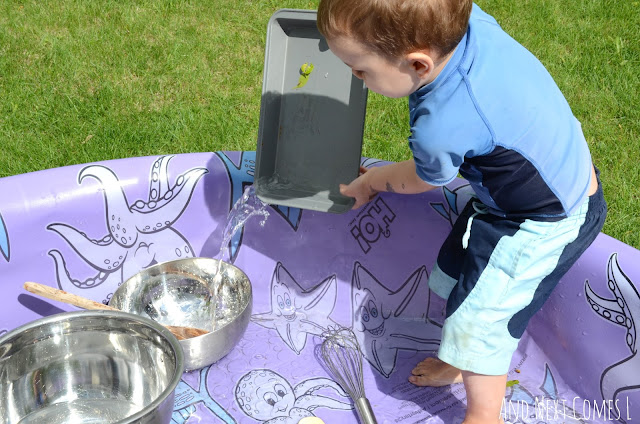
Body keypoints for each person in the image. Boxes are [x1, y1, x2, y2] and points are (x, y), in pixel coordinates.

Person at [316, 1, 608, 423]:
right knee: (456, 278)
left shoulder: (441, 125)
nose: (354, 79)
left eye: (361, 70)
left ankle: (485, 414)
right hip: (536, 184)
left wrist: (371, 182)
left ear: (418, 63)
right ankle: (458, 365)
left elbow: (421, 178)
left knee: (481, 321)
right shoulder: (468, 25)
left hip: (545, 220)